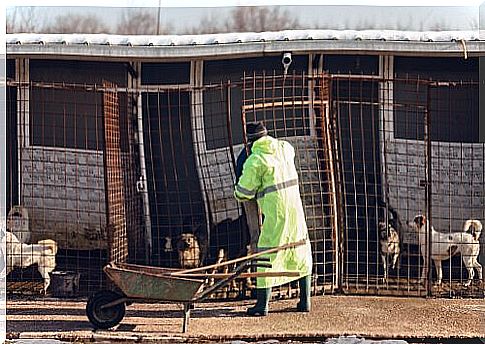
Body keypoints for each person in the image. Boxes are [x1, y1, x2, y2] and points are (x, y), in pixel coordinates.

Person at [234, 121, 313, 316]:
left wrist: (239, 191)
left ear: (250, 142)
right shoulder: (285, 148)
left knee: (266, 252)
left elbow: (243, 191)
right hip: (296, 209)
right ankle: (305, 301)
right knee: (300, 247)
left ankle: (262, 305)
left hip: (277, 213)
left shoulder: (255, 160)